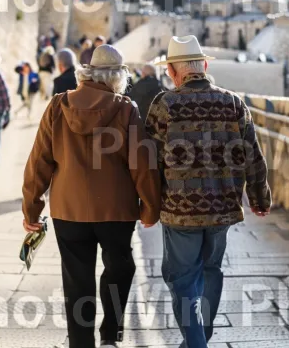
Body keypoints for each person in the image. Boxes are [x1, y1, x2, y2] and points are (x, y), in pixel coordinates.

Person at [22, 45, 161, 348]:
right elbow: (142, 162)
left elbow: (38, 162)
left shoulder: (58, 105)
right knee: (120, 267)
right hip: (116, 210)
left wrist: (31, 210)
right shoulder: (125, 109)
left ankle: (81, 343)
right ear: (118, 77)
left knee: (77, 279)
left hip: (68, 210)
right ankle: (110, 334)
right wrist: (150, 207)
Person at [146, 35, 272, 348]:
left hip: (179, 211)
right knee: (211, 269)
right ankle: (198, 337)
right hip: (222, 210)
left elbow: (148, 162)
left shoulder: (164, 105)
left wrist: (146, 204)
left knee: (182, 277)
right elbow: (253, 154)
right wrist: (259, 198)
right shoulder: (233, 103)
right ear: (203, 65)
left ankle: (196, 342)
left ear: (173, 73)